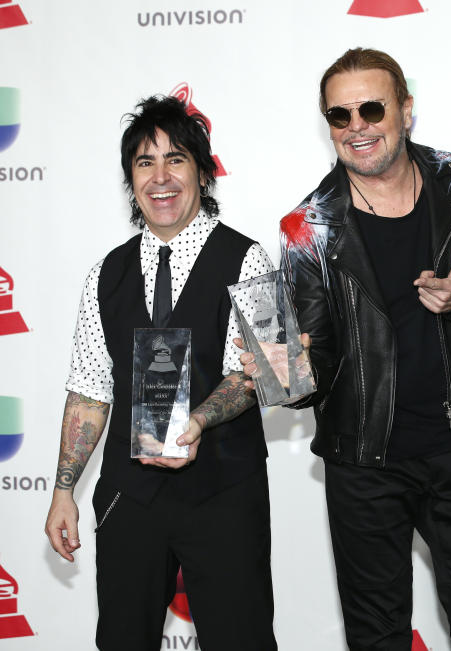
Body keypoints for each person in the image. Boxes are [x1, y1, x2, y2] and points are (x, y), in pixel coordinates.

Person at [275, 47, 451, 650]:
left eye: (371, 108)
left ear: (406, 110)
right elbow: (309, 370)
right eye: (340, 115)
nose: (357, 126)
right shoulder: (306, 227)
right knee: (377, 638)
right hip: (363, 464)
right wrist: (286, 372)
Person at [44, 96, 277, 650]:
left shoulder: (251, 261)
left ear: (202, 169)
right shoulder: (105, 274)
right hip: (131, 496)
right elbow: (90, 391)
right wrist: (63, 490)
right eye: (145, 163)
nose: (161, 177)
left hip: (223, 491)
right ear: (130, 179)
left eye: (176, 159)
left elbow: (268, 375)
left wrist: (196, 421)